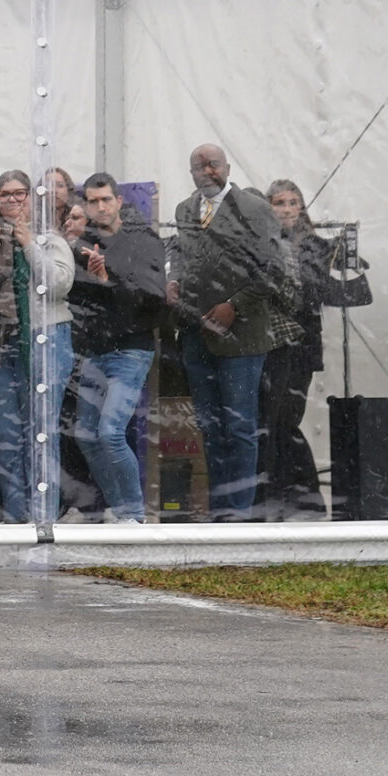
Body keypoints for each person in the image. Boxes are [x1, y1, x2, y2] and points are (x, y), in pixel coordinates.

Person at [169, 144, 289, 520]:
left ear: (227, 167)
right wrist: (173, 280)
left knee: (239, 427)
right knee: (209, 426)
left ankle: (239, 514)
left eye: (213, 164)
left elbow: (273, 272)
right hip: (195, 333)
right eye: (198, 167)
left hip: (241, 337)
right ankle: (220, 511)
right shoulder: (185, 210)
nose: (207, 171)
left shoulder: (255, 209)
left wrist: (233, 306)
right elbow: (182, 254)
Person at [0, 170, 76, 523]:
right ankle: (17, 518)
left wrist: (28, 244)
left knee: (41, 433)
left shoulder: (50, 240)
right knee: (5, 437)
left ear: (32, 199)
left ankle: (43, 519)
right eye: (5, 194)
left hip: (45, 342)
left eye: (20, 194)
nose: (12, 200)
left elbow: (59, 285)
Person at [259, 180, 373, 519]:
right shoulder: (264, 243)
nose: (287, 209)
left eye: (293, 202)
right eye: (280, 202)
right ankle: (288, 497)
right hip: (269, 345)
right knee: (273, 423)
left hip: (301, 347)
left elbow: (340, 294)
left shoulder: (314, 246)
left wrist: (347, 263)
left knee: (285, 421)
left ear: (302, 208)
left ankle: (304, 500)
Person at [66, 173, 169, 523]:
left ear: (119, 201)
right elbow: (74, 297)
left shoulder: (143, 240)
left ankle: (135, 516)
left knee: (110, 432)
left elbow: (153, 298)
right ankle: (120, 508)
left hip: (132, 349)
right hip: (94, 351)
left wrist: (109, 281)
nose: (100, 207)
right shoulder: (83, 243)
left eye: (106, 199)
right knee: (86, 434)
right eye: (93, 201)